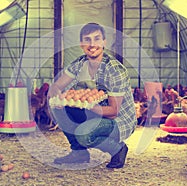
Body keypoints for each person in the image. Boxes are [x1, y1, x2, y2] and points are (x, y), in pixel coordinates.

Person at [48, 23, 137, 168]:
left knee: (84, 134)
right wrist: (58, 97)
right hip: (94, 112)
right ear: (81, 44)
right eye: (87, 39)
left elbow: (114, 112)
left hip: (118, 120)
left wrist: (88, 105)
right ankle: (79, 153)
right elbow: (56, 86)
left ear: (104, 42)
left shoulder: (114, 70)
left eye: (97, 39)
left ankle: (118, 149)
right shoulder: (79, 63)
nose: (92, 44)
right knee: (57, 107)